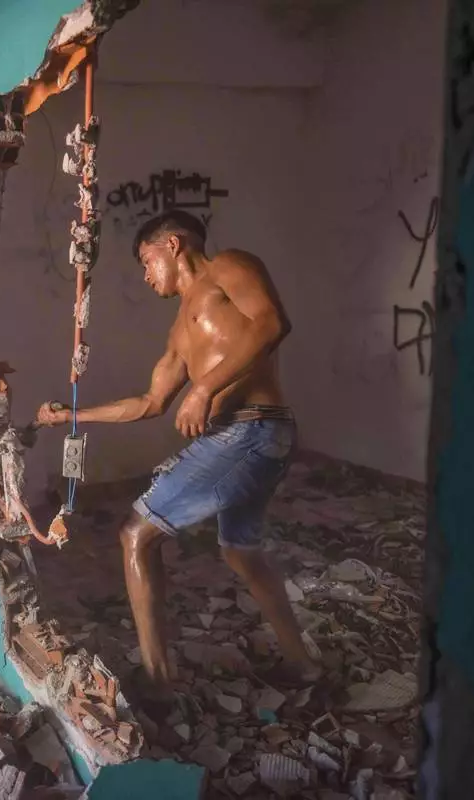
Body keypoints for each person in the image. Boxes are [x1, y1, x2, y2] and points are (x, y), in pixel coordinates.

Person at [34, 209, 321, 695]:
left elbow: (272, 323)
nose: (146, 277)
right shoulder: (178, 332)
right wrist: (72, 418)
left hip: (251, 430)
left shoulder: (228, 267)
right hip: (245, 437)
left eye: (147, 262)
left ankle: (158, 682)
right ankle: (303, 665)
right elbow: (148, 403)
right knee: (241, 553)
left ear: (172, 244)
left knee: (135, 534)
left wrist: (205, 388)